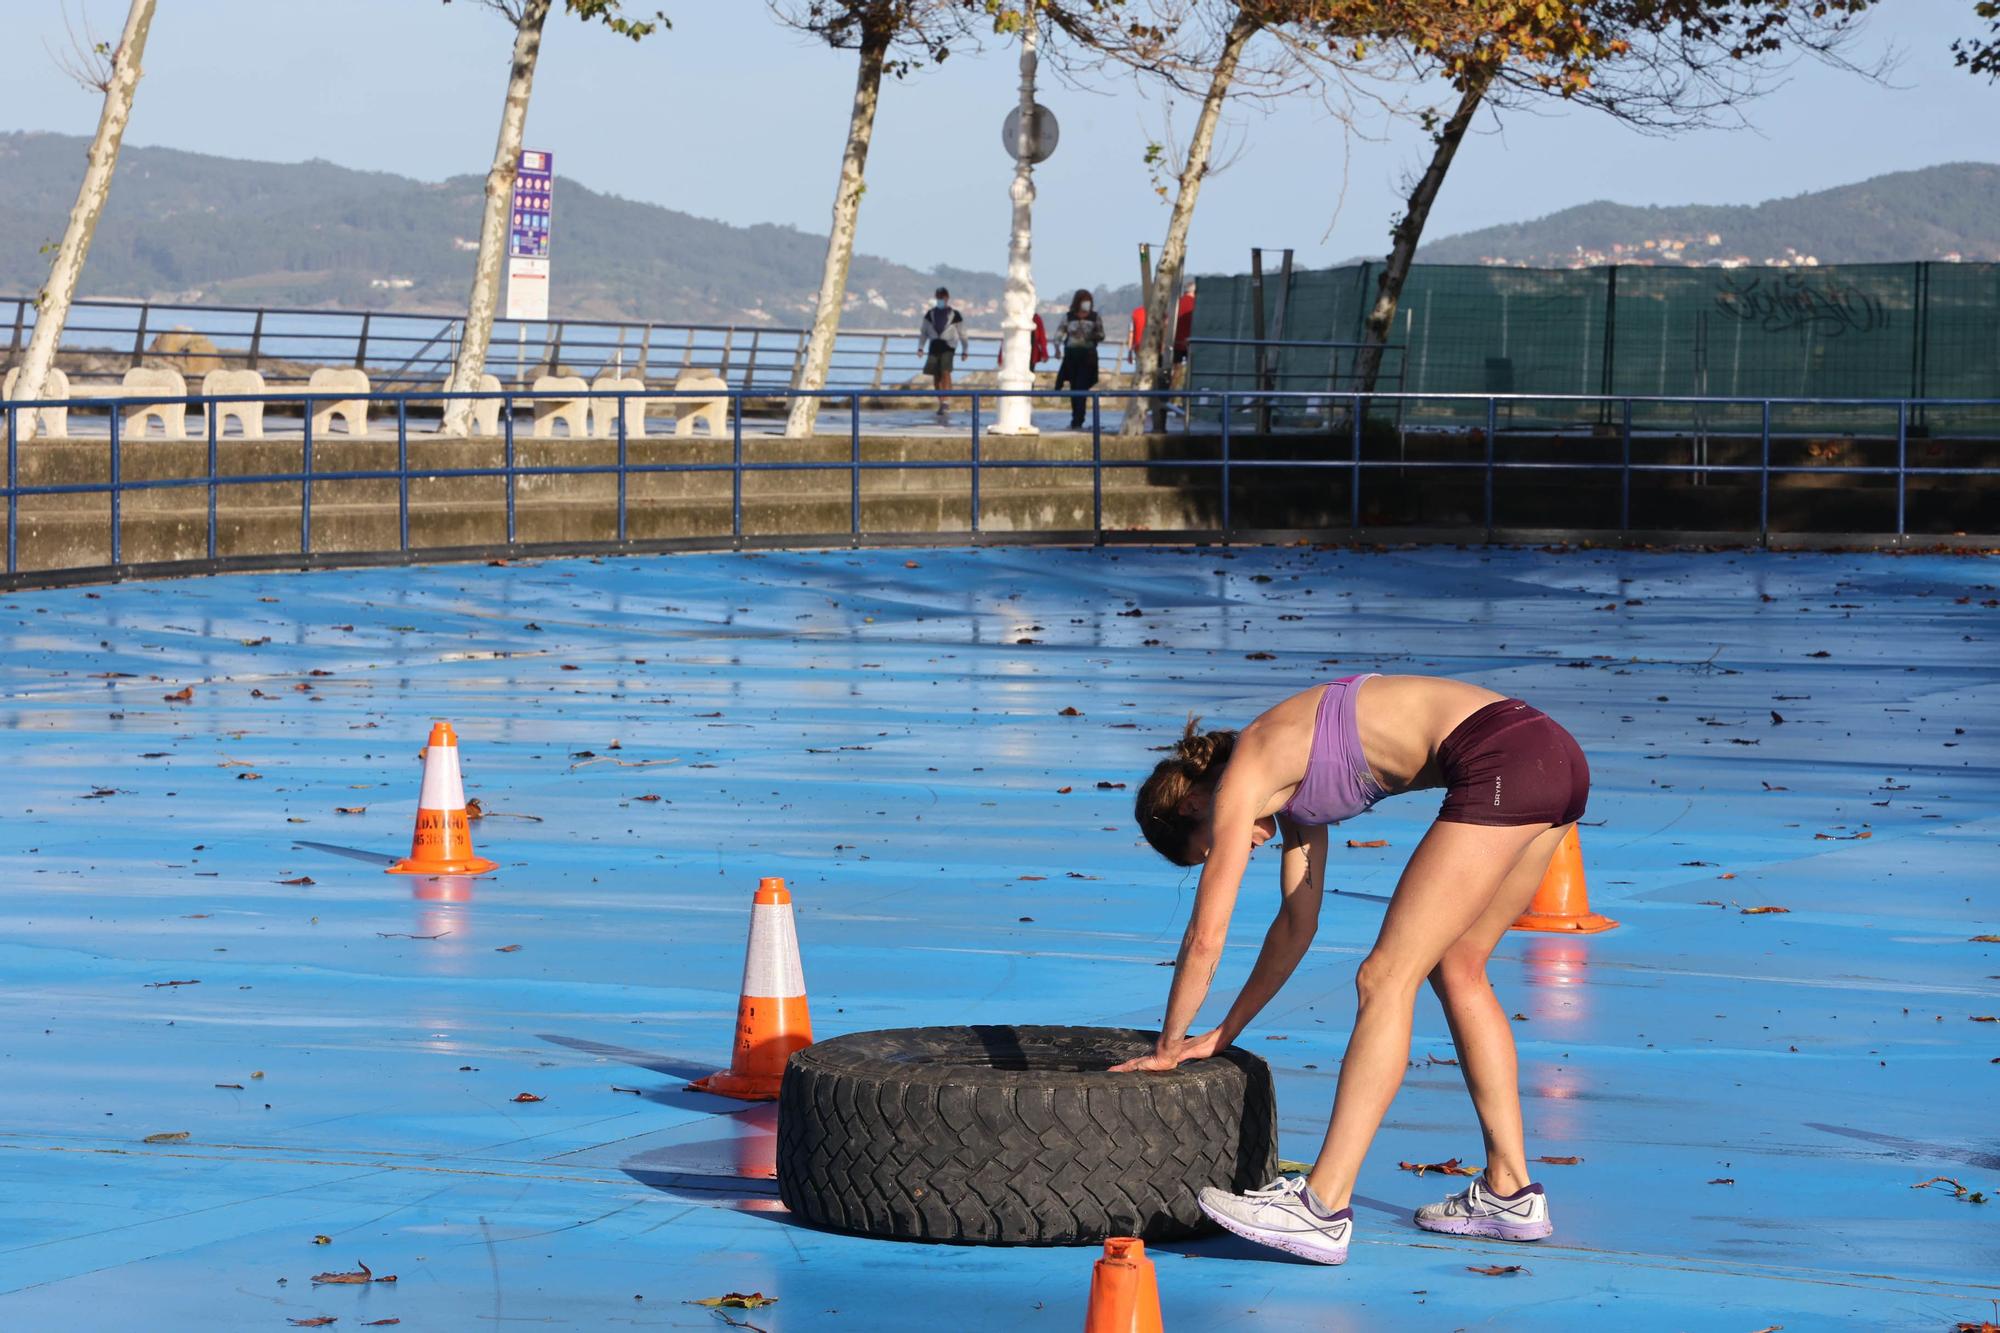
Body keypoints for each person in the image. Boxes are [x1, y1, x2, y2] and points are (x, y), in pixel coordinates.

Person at [1118, 674, 1589, 1266]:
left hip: (1504, 758)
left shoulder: (1247, 772)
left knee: (1384, 977)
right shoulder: (1290, 792)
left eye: (1206, 849)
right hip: (1555, 756)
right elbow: (1296, 925)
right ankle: (1509, 1191)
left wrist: (1167, 1044)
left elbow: (1206, 934)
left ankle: (1321, 1205)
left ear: (1192, 805)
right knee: (1458, 964)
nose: (1234, 850)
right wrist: (1223, 1032)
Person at [1052, 289, 1105, 431]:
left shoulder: (1094, 317)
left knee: (1082, 387)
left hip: (1088, 357)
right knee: (1074, 387)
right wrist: (1056, 348)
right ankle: (1076, 417)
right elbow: (1059, 334)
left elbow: (1101, 334)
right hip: (1071, 356)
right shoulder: (1069, 317)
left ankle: (1078, 419)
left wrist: (1093, 336)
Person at [919, 287, 969, 424]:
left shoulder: (955, 315)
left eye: (943, 298)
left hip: (948, 346)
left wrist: (965, 349)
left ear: (947, 298)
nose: (941, 300)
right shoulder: (930, 314)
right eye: (939, 298)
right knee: (936, 375)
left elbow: (962, 333)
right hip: (934, 345)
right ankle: (941, 401)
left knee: (945, 371)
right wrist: (920, 347)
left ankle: (946, 401)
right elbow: (923, 332)